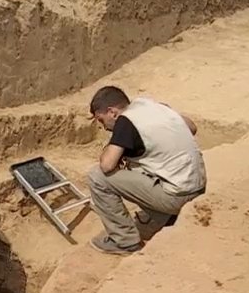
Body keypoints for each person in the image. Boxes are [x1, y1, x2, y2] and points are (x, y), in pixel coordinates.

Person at [87, 85, 207, 255]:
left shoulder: (126, 121)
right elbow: (192, 128)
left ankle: (125, 242)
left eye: (101, 120)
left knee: (97, 176)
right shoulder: (156, 107)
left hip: (178, 196)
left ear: (112, 112)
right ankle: (166, 217)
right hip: (198, 187)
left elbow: (106, 165)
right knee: (138, 161)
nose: (104, 127)